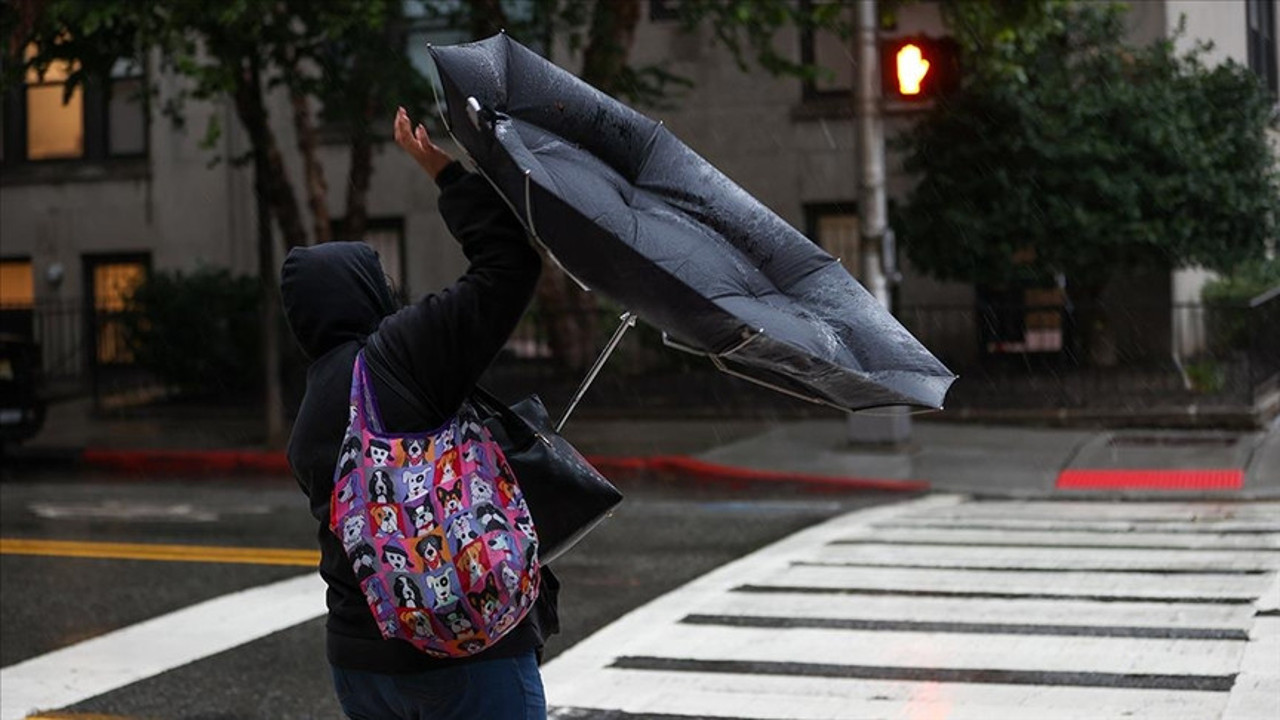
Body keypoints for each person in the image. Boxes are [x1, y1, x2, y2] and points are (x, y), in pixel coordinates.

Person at [280, 107, 555, 720]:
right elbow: (509, 266)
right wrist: (444, 174)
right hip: (465, 653)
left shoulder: (309, 414)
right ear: (368, 291)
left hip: (360, 661)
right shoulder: (401, 354)